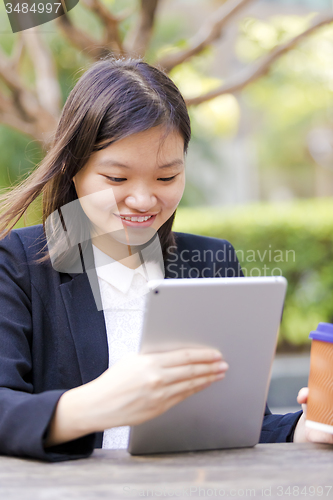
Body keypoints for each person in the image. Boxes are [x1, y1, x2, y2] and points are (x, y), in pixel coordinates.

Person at [0, 58, 330, 462]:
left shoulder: (211, 261)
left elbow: (238, 425)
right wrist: (95, 404)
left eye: (166, 177)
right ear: (72, 168)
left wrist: (303, 426)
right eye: (117, 179)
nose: (142, 200)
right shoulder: (18, 264)